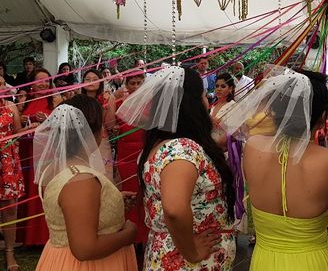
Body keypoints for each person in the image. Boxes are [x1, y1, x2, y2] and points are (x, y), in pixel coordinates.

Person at [221, 66, 328, 270]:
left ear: (274, 111)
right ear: (322, 117)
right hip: (314, 261)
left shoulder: (252, 147)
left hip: (265, 261)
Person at [117, 66, 236, 270]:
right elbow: (174, 209)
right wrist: (191, 251)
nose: (206, 101)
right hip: (187, 260)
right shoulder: (181, 149)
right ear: (192, 103)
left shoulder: (162, 143)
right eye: (203, 95)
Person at [34, 95, 137, 270]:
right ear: (94, 132)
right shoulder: (81, 179)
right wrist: (129, 233)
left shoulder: (54, 169)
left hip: (61, 258)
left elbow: (66, 214)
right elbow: (84, 249)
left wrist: (111, 202)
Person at [17, 67, 60, 246]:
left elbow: (61, 125)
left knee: (43, 189)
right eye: (39, 80)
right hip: (27, 151)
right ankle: (27, 238)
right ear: (32, 83)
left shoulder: (56, 101)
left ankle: (44, 236)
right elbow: (16, 125)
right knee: (28, 188)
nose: (43, 84)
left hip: (46, 153)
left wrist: (46, 121)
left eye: (46, 80)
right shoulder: (24, 101)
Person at [0, 80, 32, 270]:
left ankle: (9, 253)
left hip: (7, 161)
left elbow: (17, 130)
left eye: (3, 83)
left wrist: (30, 127)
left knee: (10, 207)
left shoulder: (10, 105)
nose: (3, 87)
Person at [114, 72, 148, 246]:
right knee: (129, 192)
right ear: (126, 85)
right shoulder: (121, 103)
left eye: (138, 83)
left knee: (144, 191)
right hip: (125, 153)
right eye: (132, 83)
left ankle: (145, 233)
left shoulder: (149, 104)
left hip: (143, 152)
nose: (135, 86)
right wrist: (113, 99)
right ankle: (132, 235)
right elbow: (110, 124)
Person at [81, 70, 117, 182]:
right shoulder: (78, 99)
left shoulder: (108, 98)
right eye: (87, 79)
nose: (91, 81)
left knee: (103, 173)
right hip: (81, 140)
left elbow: (110, 124)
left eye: (95, 79)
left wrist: (107, 106)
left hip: (101, 139)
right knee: (85, 172)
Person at [210, 73, 237, 148]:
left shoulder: (233, 106)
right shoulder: (213, 105)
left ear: (230, 88)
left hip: (224, 148)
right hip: (211, 145)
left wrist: (221, 124)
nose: (219, 89)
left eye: (223, 86)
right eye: (217, 86)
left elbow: (235, 133)